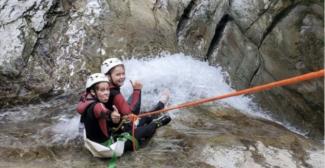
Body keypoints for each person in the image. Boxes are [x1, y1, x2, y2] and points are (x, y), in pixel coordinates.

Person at [77, 73, 171, 154]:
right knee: (145, 129)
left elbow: (83, 125)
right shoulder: (96, 106)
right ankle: (159, 122)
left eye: (107, 89)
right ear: (93, 91)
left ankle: (158, 109)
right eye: (102, 90)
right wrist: (111, 115)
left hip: (99, 143)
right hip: (109, 148)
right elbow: (101, 110)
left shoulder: (85, 101)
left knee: (144, 117)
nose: (106, 93)